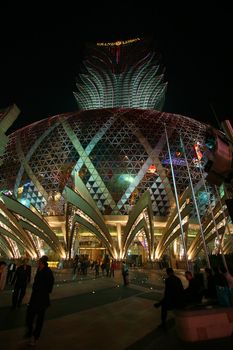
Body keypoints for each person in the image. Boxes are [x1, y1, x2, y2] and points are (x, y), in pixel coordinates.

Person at [25, 255, 54, 346]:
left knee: (39, 320)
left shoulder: (48, 271)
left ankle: (35, 337)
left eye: (39, 262)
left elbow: (50, 284)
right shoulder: (39, 270)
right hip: (35, 297)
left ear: (42, 263)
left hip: (42, 299)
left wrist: (44, 291)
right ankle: (30, 331)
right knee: (29, 317)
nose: (37, 263)